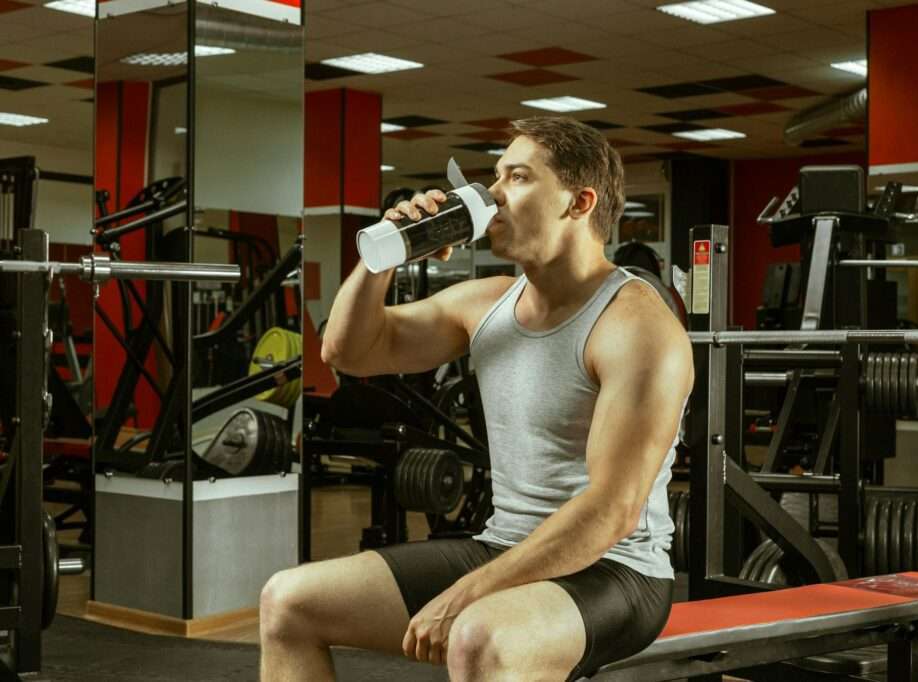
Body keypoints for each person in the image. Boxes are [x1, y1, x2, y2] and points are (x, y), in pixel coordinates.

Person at [260, 116, 693, 681]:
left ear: (579, 202)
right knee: (287, 602)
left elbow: (611, 511)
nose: (491, 196)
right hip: (504, 546)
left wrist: (468, 592)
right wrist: (381, 260)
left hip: (615, 569)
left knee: (478, 636)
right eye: (495, 177)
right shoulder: (486, 304)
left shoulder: (635, 325)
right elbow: (349, 351)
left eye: (517, 177)